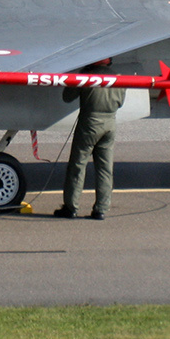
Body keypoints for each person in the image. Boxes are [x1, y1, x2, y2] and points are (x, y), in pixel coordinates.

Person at [55, 60, 126, 220]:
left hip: (90, 122)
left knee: (78, 165)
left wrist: (79, 76)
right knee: (105, 168)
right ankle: (101, 209)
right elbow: (120, 103)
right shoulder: (117, 78)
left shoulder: (87, 76)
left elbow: (67, 96)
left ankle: (71, 207)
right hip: (110, 123)